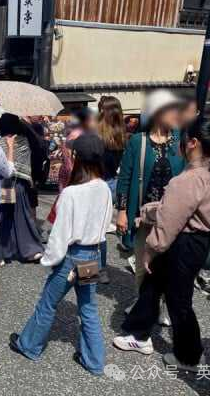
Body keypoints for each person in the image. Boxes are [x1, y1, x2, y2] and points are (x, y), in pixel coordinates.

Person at [113, 119, 210, 371]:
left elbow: (170, 221)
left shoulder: (187, 179)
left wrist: (149, 250)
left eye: (182, 138)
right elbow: (178, 210)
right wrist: (149, 213)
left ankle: (188, 355)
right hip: (193, 242)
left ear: (192, 143)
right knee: (154, 286)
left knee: (178, 300)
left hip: (182, 243)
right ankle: (139, 334)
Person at [9, 133, 113, 375]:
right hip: (92, 255)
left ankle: (29, 345)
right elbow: (105, 226)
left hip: (71, 257)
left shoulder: (71, 193)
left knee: (48, 302)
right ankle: (95, 361)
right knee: (88, 307)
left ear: (77, 157)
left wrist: (48, 260)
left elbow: (60, 235)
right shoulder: (105, 189)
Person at [115, 90, 185, 307]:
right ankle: (142, 304)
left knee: (166, 264)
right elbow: (124, 178)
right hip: (143, 215)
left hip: (170, 216)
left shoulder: (179, 142)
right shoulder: (138, 141)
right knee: (141, 263)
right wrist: (123, 211)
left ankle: (160, 305)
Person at [0, 114, 44, 264]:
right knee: (23, 217)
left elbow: (1, 167)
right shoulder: (26, 140)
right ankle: (31, 250)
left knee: (3, 219)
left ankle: (0, 253)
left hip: (4, 185)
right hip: (20, 184)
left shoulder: (0, 144)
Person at [96, 96, 127, 284]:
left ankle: (93, 272)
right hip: (112, 184)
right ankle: (98, 271)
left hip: (95, 184)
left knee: (90, 231)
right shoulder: (122, 135)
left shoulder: (97, 135)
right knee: (100, 230)